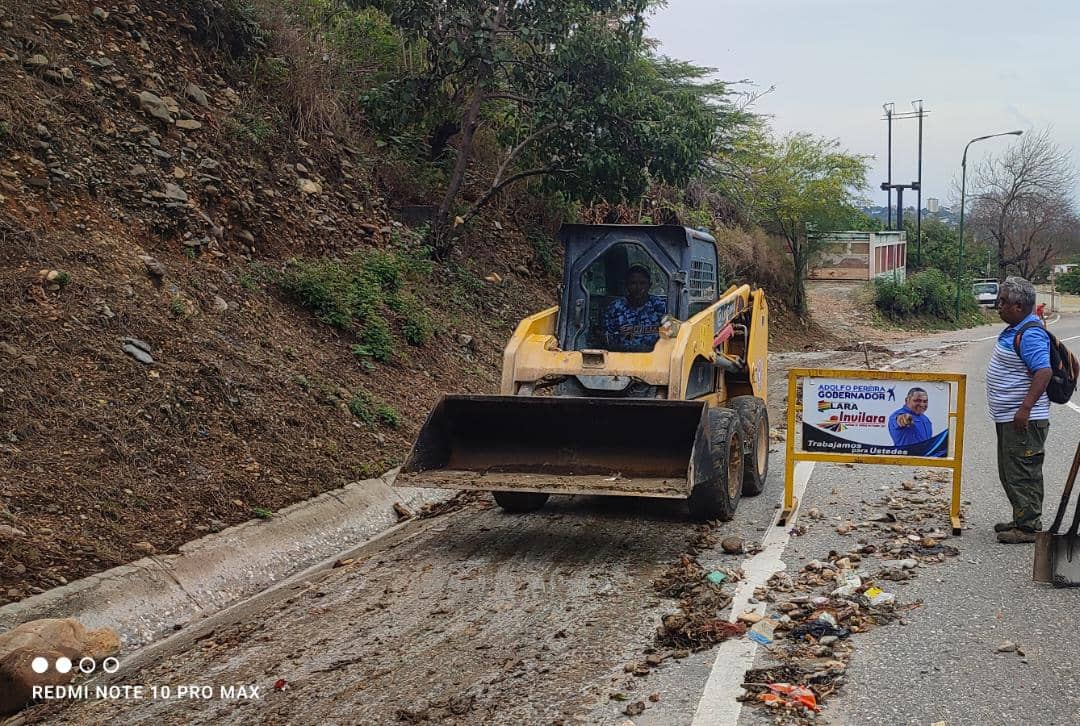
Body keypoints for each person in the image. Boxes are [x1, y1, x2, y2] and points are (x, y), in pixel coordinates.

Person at [986, 276, 1053, 544]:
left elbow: (1043, 371)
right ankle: (1021, 517)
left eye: (1003, 301)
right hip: (1009, 416)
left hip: (1025, 419)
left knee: (1023, 471)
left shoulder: (1030, 333)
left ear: (1018, 306)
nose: (998, 306)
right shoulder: (1016, 329)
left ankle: (1028, 527)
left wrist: (1025, 408)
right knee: (1010, 470)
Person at [603, 265, 666, 352]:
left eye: (642, 283)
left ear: (649, 285)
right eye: (633, 283)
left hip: (654, 359)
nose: (638, 288)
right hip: (621, 358)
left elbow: (669, 339)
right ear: (626, 285)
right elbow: (608, 341)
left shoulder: (661, 307)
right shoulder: (615, 308)